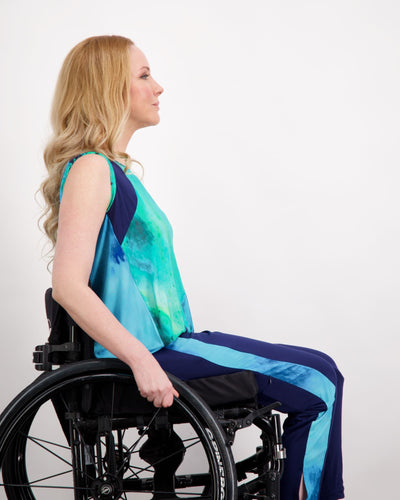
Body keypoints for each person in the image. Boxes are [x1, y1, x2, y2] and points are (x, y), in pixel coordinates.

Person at [40, 35, 344, 500]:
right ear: (107, 90)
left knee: (323, 370)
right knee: (318, 383)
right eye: (143, 76)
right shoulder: (90, 170)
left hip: (172, 343)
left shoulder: (113, 172)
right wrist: (140, 361)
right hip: (149, 354)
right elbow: (67, 286)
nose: (158, 87)